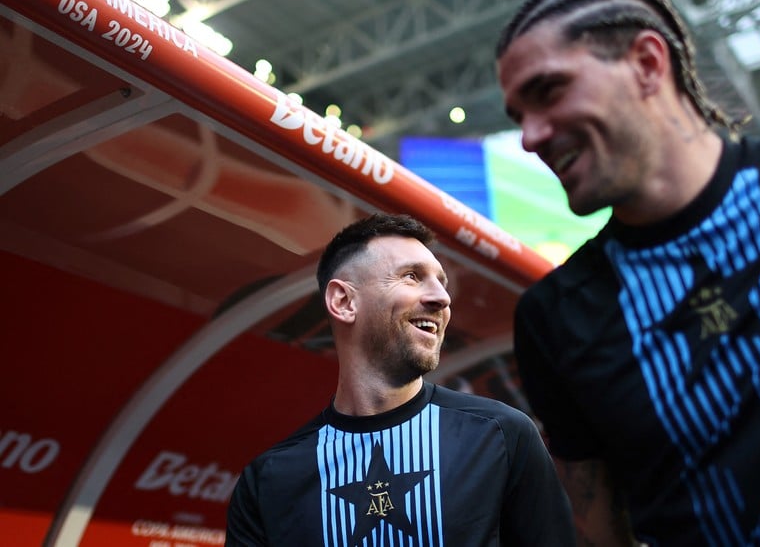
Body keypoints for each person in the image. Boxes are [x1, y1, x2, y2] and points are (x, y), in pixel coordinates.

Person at [496, 0, 760, 546]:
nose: (530, 136)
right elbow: (598, 532)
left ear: (648, 64)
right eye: (518, 116)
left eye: (548, 91)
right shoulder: (556, 316)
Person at [225, 213, 576, 546]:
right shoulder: (270, 479)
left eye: (441, 283)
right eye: (411, 276)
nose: (442, 298)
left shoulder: (501, 435)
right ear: (343, 301)